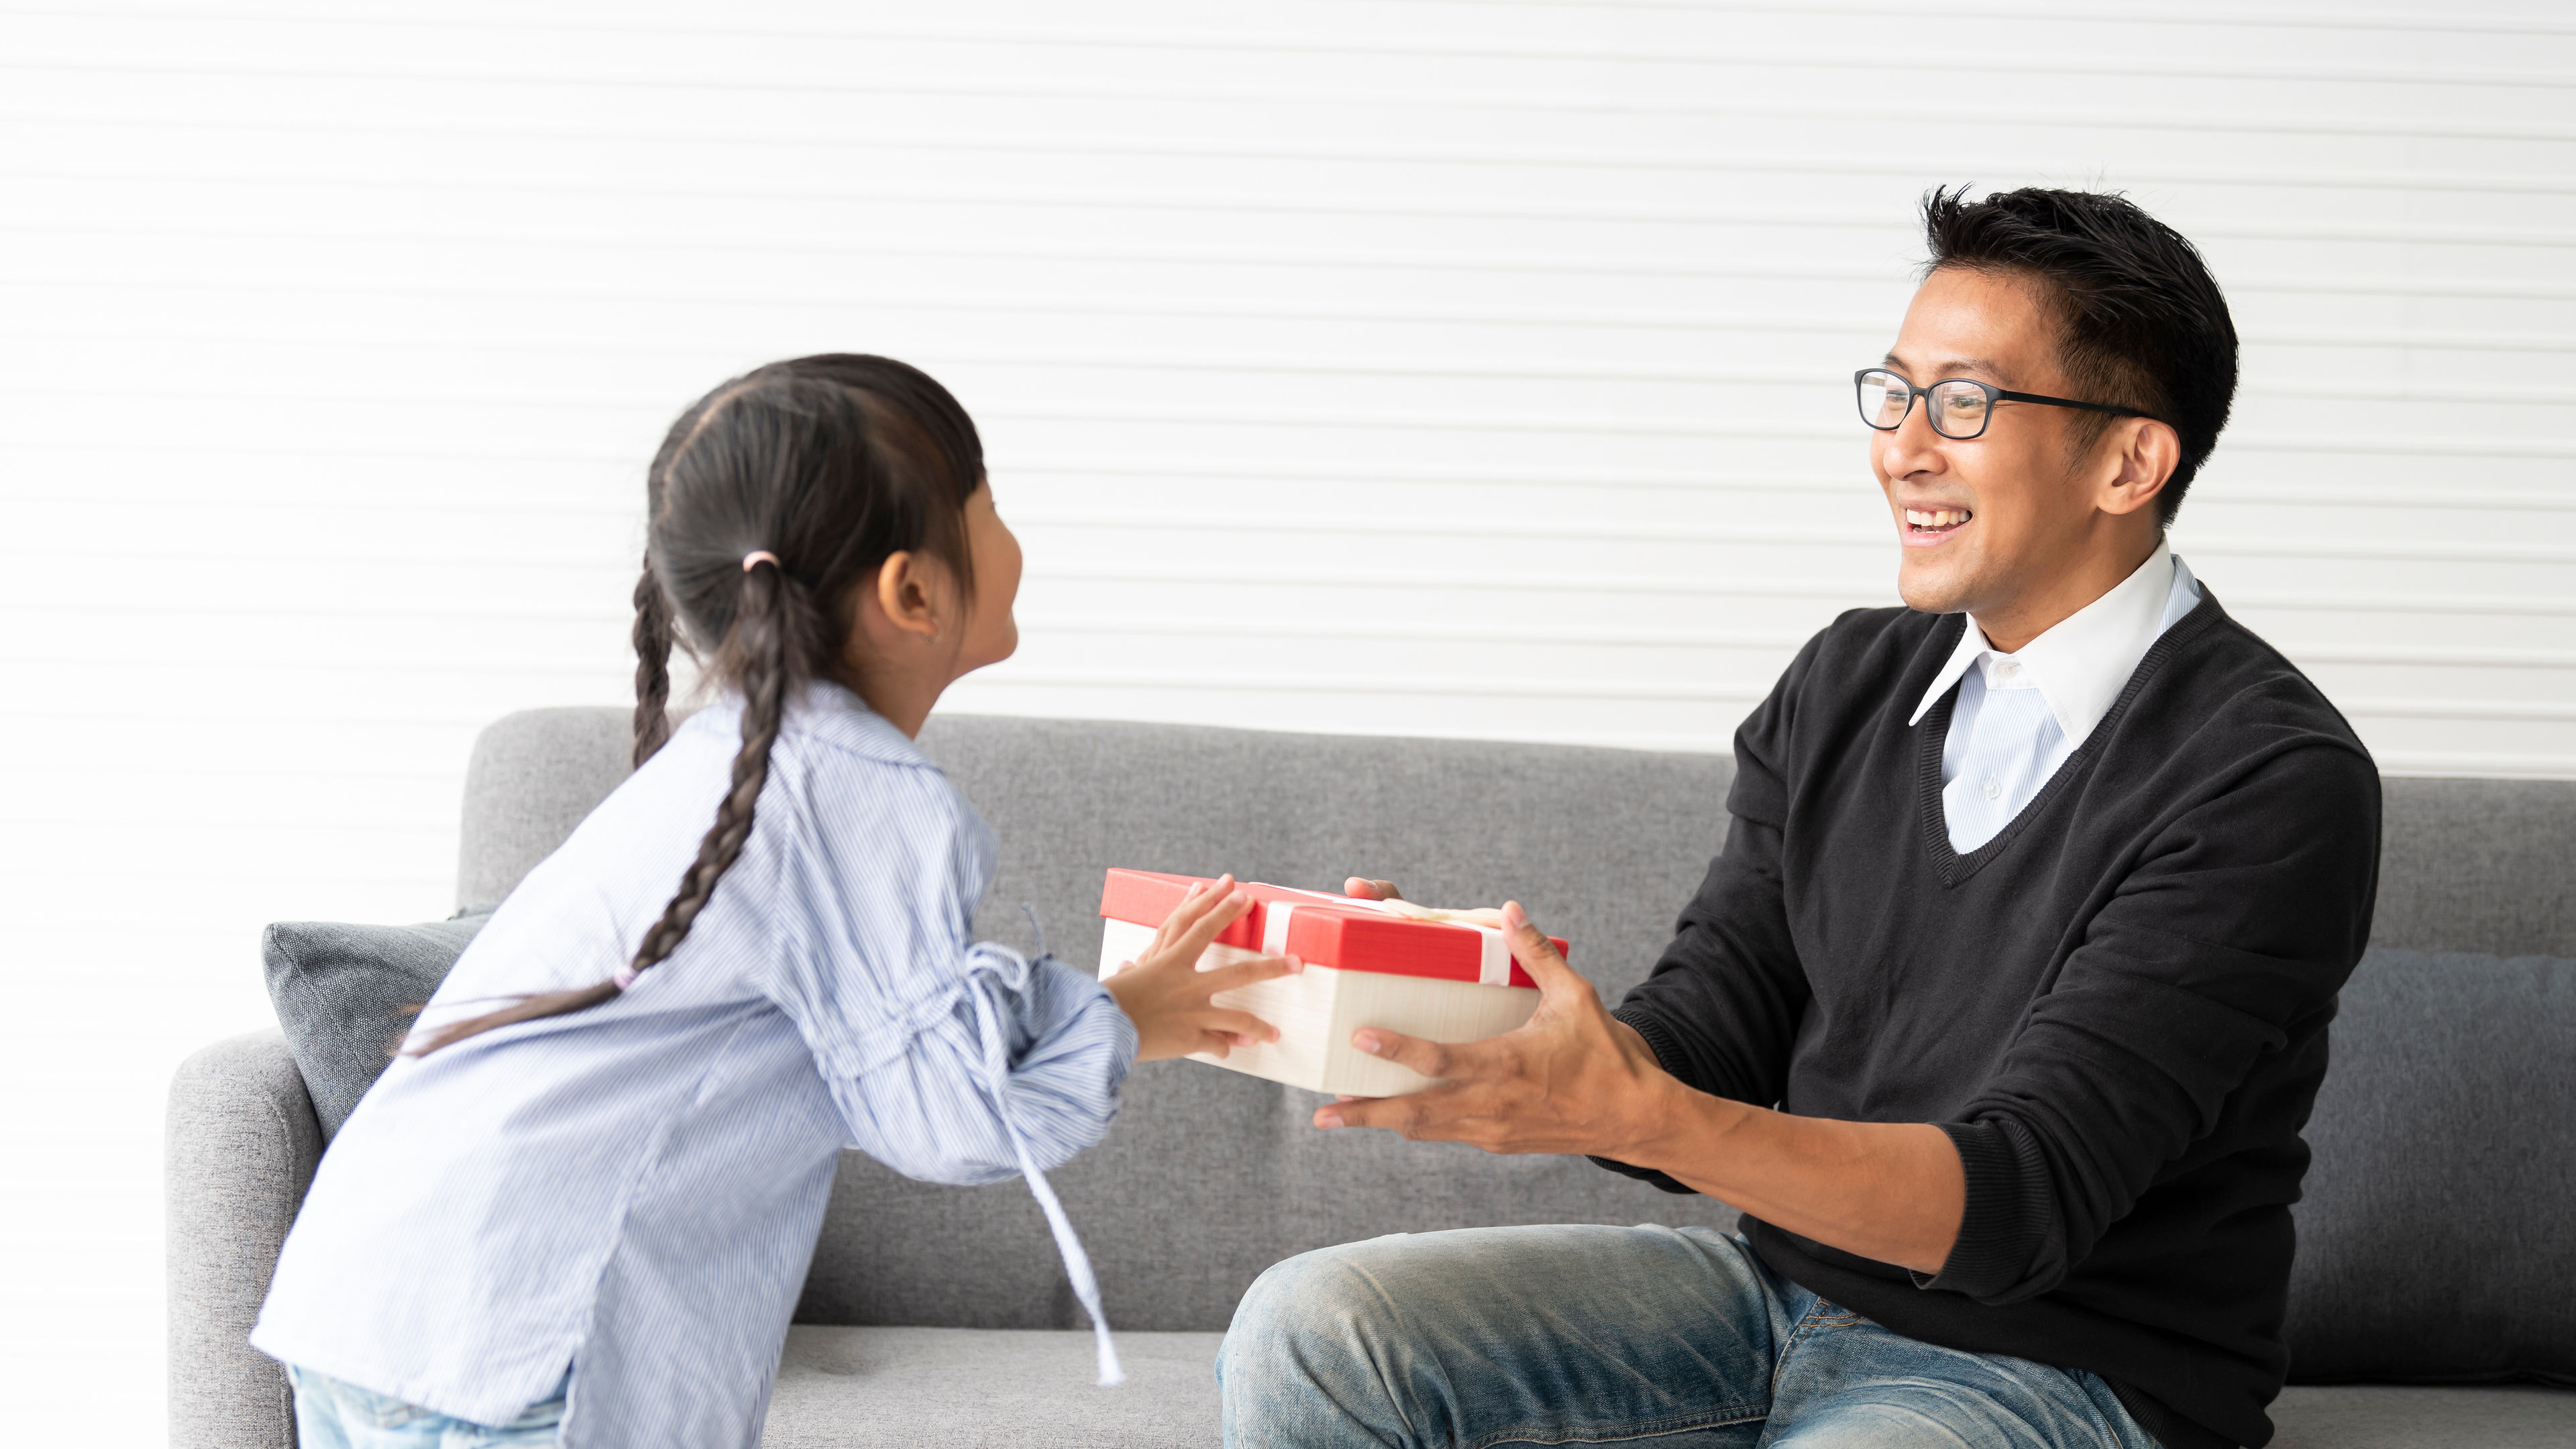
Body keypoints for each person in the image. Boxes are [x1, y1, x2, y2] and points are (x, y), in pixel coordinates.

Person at [1218, 188, 2378, 1449]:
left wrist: (1637, 1111)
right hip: (1782, 1297)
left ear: (2128, 461)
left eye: (1965, 404)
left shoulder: (2268, 776)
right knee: (1317, 1327)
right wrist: (1490, 1007)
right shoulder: (1847, 683)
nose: (1902, 449)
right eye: (1895, 393)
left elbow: (2018, 1205)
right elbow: (1706, 1044)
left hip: (2067, 1369)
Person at [252, 354, 1297, 1448]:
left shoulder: (743, 770)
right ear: (913, 589)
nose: (1012, 537)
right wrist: (1121, 1021)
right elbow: (946, 1116)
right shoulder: (858, 796)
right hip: (523, 1343)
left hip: (386, 1300)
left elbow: (873, 1050)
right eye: (989, 509)